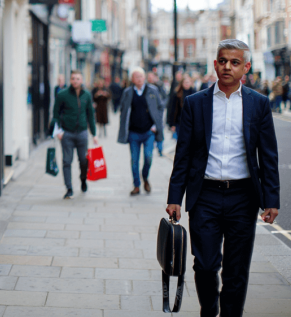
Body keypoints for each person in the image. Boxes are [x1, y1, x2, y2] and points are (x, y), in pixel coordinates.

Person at [166, 39, 279, 317]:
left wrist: (271, 199)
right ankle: (210, 309)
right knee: (204, 265)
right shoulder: (195, 103)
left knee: (237, 268)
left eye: (235, 62)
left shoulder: (259, 104)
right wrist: (174, 197)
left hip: (243, 197)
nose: (227, 66)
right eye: (222, 61)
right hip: (204, 195)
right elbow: (184, 154)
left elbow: (268, 156)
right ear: (215, 64)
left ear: (246, 67)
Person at [51, 71, 99, 199]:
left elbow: (90, 115)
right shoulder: (62, 95)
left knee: (83, 160)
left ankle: (83, 180)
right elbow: (55, 114)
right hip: (67, 133)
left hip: (82, 133)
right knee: (67, 161)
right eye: (73, 78)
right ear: (70, 80)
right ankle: (69, 188)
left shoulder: (87, 95)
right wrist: (58, 132)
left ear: (82, 80)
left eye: (78, 78)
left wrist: (94, 134)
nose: (75, 81)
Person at [117, 68, 165, 196]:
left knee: (148, 157)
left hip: (149, 132)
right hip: (133, 132)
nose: (138, 79)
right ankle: (136, 185)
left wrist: (156, 125)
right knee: (134, 160)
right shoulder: (128, 92)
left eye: (141, 76)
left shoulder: (153, 90)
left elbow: (160, 107)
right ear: (132, 79)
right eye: (136, 77)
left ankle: (145, 177)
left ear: (144, 78)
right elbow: (123, 109)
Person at [168, 74, 196, 139]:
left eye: (188, 82)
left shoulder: (195, 93)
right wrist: (172, 124)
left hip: (191, 123)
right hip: (179, 122)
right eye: (185, 82)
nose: (186, 84)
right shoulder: (177, 94)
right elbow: (173, 109)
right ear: (182, 83)